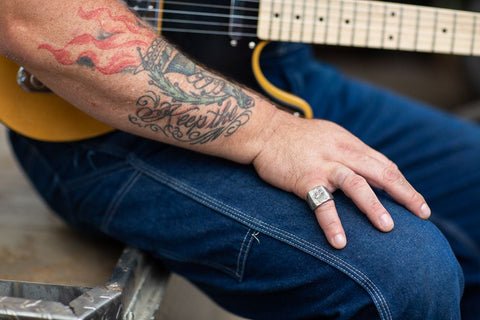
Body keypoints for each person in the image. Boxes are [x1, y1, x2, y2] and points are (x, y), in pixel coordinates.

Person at [1, 0, 479, 319]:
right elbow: (32, 17)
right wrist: (270, 133)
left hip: (275, 62)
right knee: (405, 274)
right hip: (101, 115)